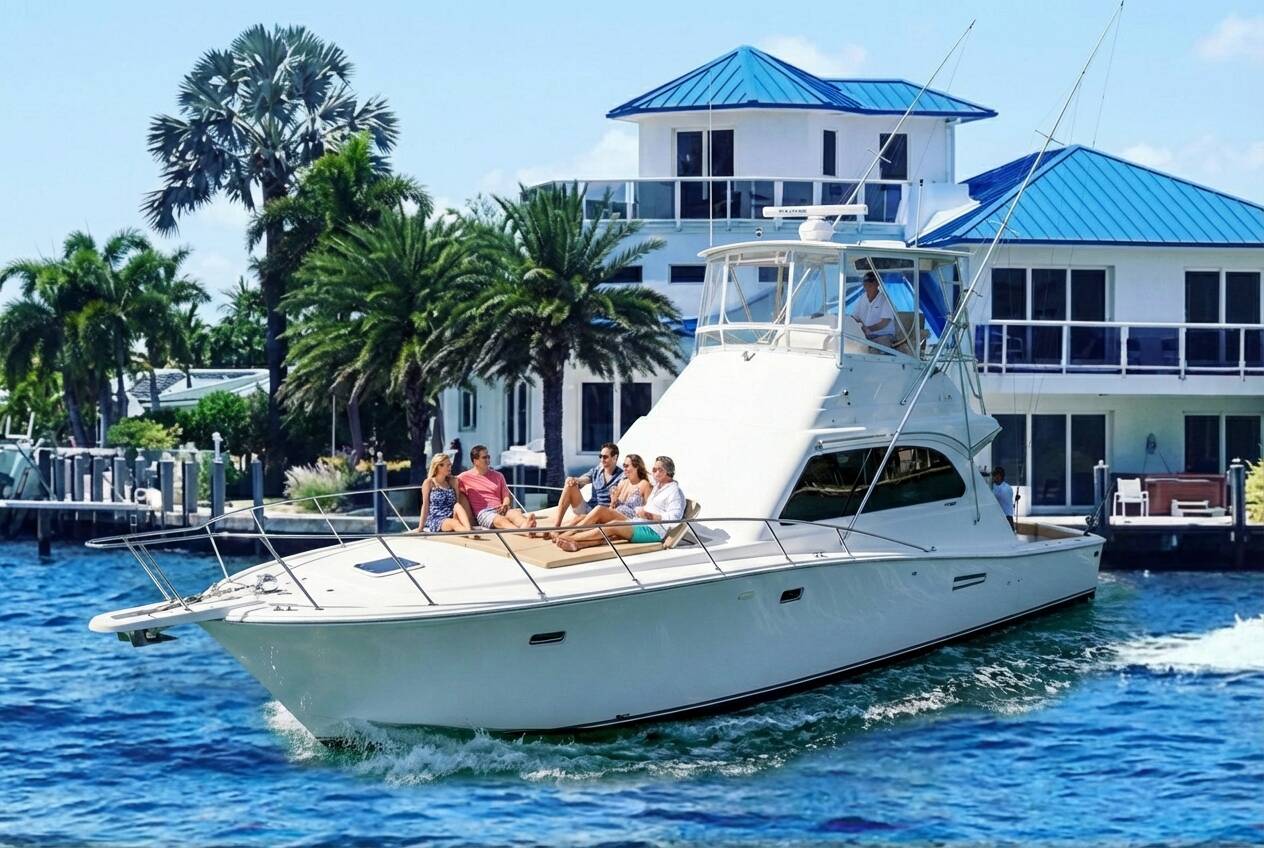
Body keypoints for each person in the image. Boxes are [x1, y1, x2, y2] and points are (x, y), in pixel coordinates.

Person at [555, 456, 685, 552]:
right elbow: (651, 506)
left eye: (659, 470)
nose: (655, 472)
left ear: (668, 473)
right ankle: (574, 540)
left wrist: (651, 516)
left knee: (612, 526)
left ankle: (573, 538)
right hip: (640, 521)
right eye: (654, 469)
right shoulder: (659, 487)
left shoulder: (674, 492)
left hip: (654, 531)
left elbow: (675, 518)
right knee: (603, 514)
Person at [553, 454, 652, 545]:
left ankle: (569, 534)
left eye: (627, 466)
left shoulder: (644, 484)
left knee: (600, 509)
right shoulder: (623, 483)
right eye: (624, 465)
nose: (624, 468)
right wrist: (613, 500)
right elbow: (612, 506)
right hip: (616, 514)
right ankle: (555, 532)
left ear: (636, 467)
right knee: (581, 518)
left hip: (630, 519)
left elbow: (650, 509)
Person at [457, 444, 537, 533]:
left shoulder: (498, 476)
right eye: (484, 457)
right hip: (484, 513)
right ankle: (523, 531)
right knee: (501, 520)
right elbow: (448, 481)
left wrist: (505, 504)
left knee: (515, 514)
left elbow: (506, 495)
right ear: (475, 461)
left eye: (488, 457)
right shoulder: (464, 477)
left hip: (500, 509)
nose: (488, 460)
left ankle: (525, 525)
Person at [552, 441, 623, 527]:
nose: (602, 460)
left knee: (576, 522)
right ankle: (556, 525)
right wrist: (575, 480)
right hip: (589, 509)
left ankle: (559, 531)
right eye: (600, 456)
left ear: (615, 457)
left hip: (603, 514)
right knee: (570, 484)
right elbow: (585, 479)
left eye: (605, 457)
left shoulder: (621, 477)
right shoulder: (597, 471)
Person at [418, 453, 473, 534]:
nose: (450, 467)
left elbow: (457, 502)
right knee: (454, 523)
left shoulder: (453, 481)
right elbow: (425, 506)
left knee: (457, 506)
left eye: (450, 465)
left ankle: (469, 530)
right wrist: (420, 528)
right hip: (437, 519)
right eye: (447, 465)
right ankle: (469, 533)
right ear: (439, 466)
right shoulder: (429, 483)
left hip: (452, 515)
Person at [850, 271, 898, 349]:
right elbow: (854, 317)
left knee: (877, 347)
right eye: (866, 283)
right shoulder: (862, 298)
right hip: (866, 336)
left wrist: (868, 329)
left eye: (871, 283)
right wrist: (856, 327)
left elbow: (884, 323)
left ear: (877, 284)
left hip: (884, 336)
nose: (868, 286)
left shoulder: (885, 299)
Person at [992, 466, 1015, 530]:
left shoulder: (1006, 489)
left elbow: (996, 498)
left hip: (1006, 518)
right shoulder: (995, 486)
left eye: (994, 475)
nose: (993, 477)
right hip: (999, 517)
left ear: (999, 476)